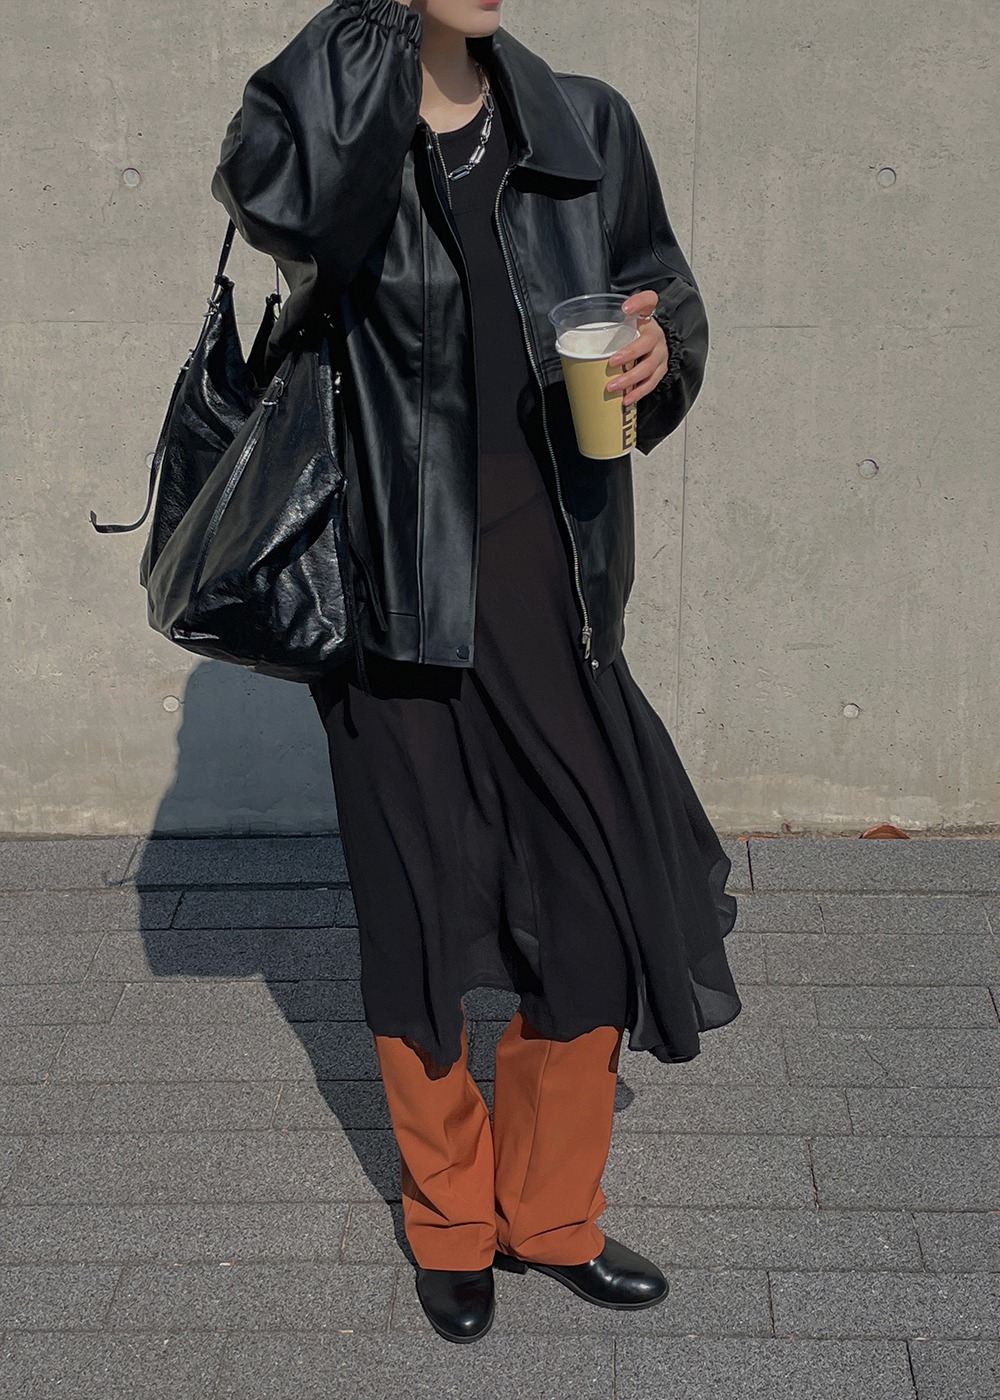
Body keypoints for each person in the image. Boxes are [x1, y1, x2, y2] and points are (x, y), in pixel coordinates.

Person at [212, 0, 741, 1345]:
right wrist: (367, 52)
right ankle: (450, 1220)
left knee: (593, 903)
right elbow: (270, 200)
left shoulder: (584, 122)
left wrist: (663, 347)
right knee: (414, 915)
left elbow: (659, 284)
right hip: (389, 593)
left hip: (554, 587)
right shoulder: (337, 129)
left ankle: (550, 1213)